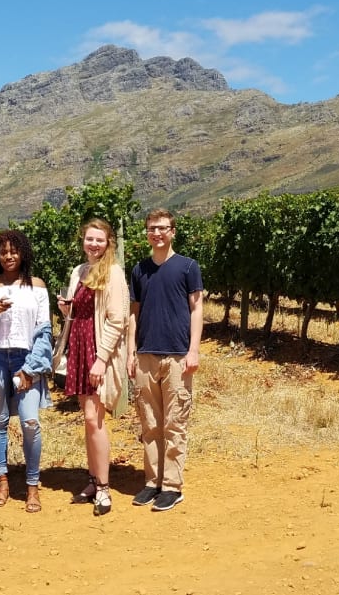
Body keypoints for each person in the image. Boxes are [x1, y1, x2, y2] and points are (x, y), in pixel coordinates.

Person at [0, 228, 52, 512]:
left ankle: (32, 485)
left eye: (14, 250)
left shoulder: (37, 287)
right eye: (3, 251)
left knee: (30, 422)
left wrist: (30, 369)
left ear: (23, 253)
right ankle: (2, 481)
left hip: (26, 359)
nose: (9, 256)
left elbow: (44, 333)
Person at [128, 209, 204, 512]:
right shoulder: (139, 270)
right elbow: (134, 313)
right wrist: (132, 352)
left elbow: (196, 309)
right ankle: (153, 481)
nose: (156, 233)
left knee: (175, 422)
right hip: (146, 355)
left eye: (161, 228)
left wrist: (193, 350)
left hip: (177, 356)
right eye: (151, 229)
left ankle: (172, 486)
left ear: (172, 231)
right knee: (150, 423)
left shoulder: (187, 267)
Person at [57, 217, 131, 516]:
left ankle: (103, 488)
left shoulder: (113, 272)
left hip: (97, 351)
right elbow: (77, 314)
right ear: (83, 240)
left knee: (94, 419)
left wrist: (101, 360)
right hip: (79, 347)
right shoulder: (80, 271)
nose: (94, 244)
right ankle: (93, 479)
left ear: (108, 242)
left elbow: (118, 319)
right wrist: (66, 308)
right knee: (88, 419)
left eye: (100, 239)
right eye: (90, 239)